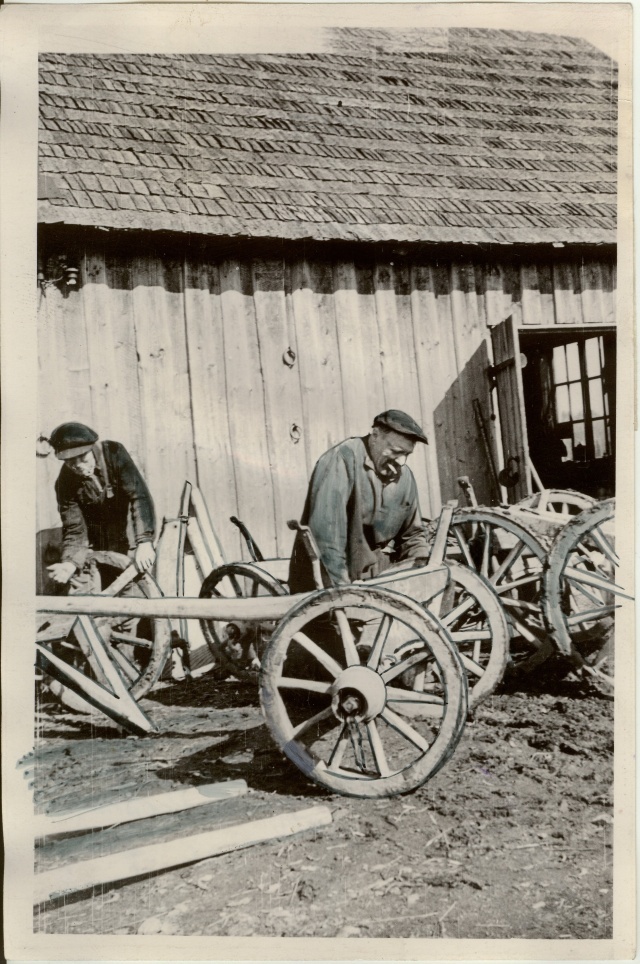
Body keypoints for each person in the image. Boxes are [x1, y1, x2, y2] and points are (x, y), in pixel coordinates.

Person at [289, 410, 431, 593]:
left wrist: (424, 569)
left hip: (374, 584)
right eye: (396, 452)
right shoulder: (341, 460)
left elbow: (412, 536)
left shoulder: (405, 478)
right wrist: (343, 592)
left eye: (407, 454)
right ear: (375, 435)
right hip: (326, 587)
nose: (401, 462)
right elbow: (326, 539)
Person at [46, 422, 156, 592]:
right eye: (71, 463)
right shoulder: (64, 482)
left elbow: (139, 497)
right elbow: (75, 528)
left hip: (130, 537)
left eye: (83, 459)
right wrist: (69, 563)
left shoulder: (114, 454)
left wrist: (145, 541)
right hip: (98, 544)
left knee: (139, 591)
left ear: (92, 448)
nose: (79, 467)